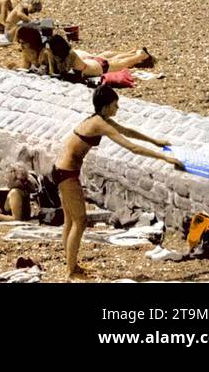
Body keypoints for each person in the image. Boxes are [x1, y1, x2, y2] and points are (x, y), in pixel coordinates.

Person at [54, 85, 183, 279]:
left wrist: (156, 141)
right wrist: (164, 158)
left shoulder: (99, 119)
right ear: (105, 106)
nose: (118, 109)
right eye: (115, 105)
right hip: (66, 173)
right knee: (80, 221)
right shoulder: (98, 124)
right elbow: (132, 148)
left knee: (70, 220)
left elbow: (128, 132)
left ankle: (71, 265)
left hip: (60, 170)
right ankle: (71, 271)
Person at [46, 34, 154, 79]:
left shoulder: (68, 58)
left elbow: (56, 73)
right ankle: (132, 52)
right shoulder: (70, 52)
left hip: (97, 67)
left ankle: (141, 55)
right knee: (109, 58)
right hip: (92, 61)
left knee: (125, 63)